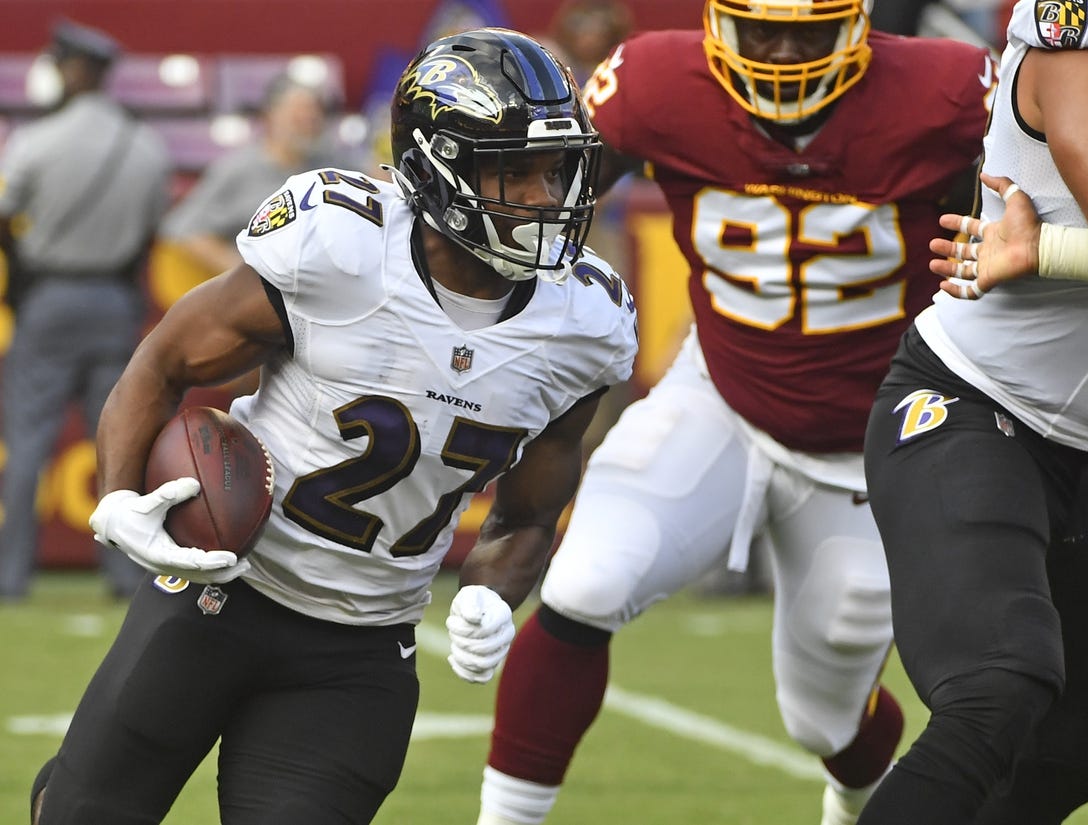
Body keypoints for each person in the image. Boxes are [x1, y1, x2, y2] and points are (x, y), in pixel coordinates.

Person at [28, 28, 636, 825]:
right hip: (221, 591)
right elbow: (162, 363)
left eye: (554, 170)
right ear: (435, 165)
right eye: (512, 171)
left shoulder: (585, 321)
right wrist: (114, 498)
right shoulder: (342, 244)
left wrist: (496, 592)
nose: (543, 196)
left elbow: (527, 512)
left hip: (359, 650)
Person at [474, 3, 996, 825]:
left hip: (874, 441)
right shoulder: (654, 80)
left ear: (855, 24)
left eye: (809, 31)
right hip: (721, 390)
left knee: (822, 716)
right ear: (720, 22)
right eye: (762, 30)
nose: (785, 53)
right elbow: (551, 199)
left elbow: (1038, 199)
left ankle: (854, 802)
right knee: (586, 581)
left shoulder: (947, 88)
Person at [859, 0, 1088, 822]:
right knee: (999, 687)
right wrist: (1065, 251)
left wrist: (1058, 256)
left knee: (1073, 749)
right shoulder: (1078, 26)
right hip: (979, 404)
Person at [0, 19, 172, 601]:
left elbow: (4, 210)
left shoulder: (36, 140)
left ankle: (10, 576)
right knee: (118, 437)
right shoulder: (143, 144)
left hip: (49, 298)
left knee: (27, 442)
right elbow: (153, 227)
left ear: (71, 71)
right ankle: (125, 574)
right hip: (116, 300)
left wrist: (19, 272)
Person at [158, 73, 350, 277]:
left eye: (314, 114)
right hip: (251, 293)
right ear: (269, 117)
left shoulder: (332, 167)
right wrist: (245, 274)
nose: (308, 122)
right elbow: (182, 229)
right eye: (297, 115)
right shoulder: (238, 169)